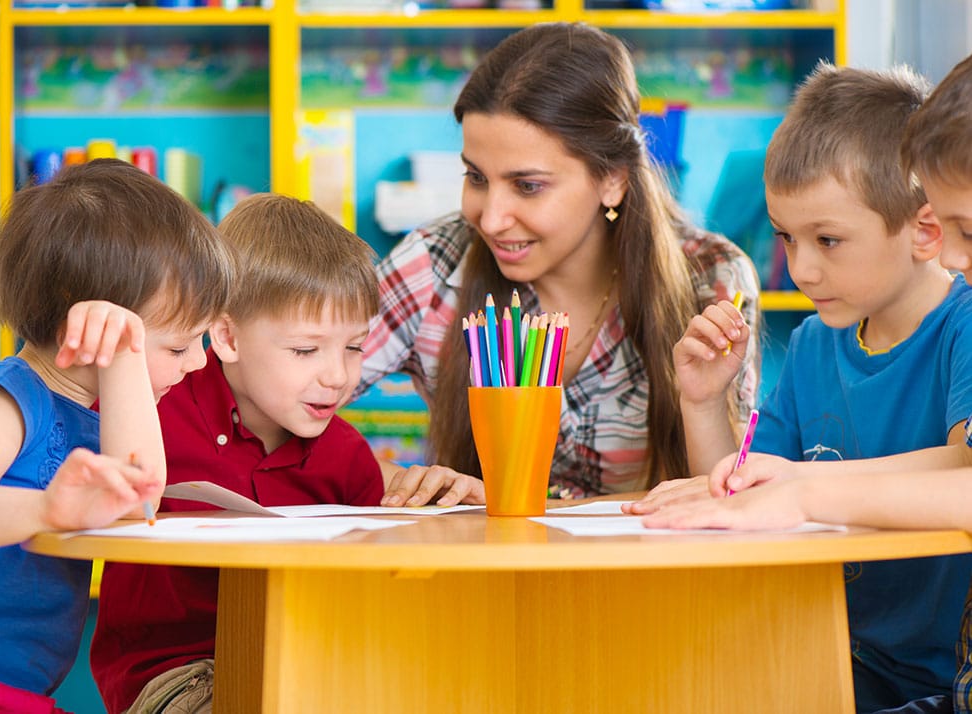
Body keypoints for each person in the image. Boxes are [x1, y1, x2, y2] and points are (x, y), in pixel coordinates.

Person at [633, 62, 972, 714]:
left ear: (924, 231)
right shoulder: (816, 342)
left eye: (829, 240)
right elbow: (750, 490)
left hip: (932, 672)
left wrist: (801, 490)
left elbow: (964, 469)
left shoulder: (961, 325)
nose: (802, 267)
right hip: (831, 646)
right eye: (787, 238)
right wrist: (704, 401)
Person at [359, 22, 760, 507]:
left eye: (527, 185)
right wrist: (398, 481)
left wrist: (704, 405)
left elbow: (729, 495)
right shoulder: (434, 264)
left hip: (655, 578)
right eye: (476, 177)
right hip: (484, 577)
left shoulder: (712, 277)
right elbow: (270, 404)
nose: (490, 217)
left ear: (612, 179)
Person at [0, 158, 234, 712]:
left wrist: (125, 362)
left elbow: (140, 501)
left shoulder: (95, 415)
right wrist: (48, 509)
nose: (198, 363)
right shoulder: (8, 395)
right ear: (84, 332)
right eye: (178, 347)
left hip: (11, 692)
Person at [90, 192, 386, 714]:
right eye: (305, 350)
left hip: (312, 667)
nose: (338, 376)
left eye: (354, 347)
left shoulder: (348, 456)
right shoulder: (149, 409)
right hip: (179, 676)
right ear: (226, 336)